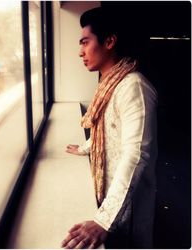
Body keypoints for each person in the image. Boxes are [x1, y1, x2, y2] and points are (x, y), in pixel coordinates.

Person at [61, 7, 157, 249]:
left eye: (85, 42)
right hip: (107, 192)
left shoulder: (133, 87)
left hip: (128, 207)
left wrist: (103, 220)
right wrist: (86, 148)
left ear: (110, 41)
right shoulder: (110, 82)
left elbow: (136, 155)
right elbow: (105, 127)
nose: (80, 52)